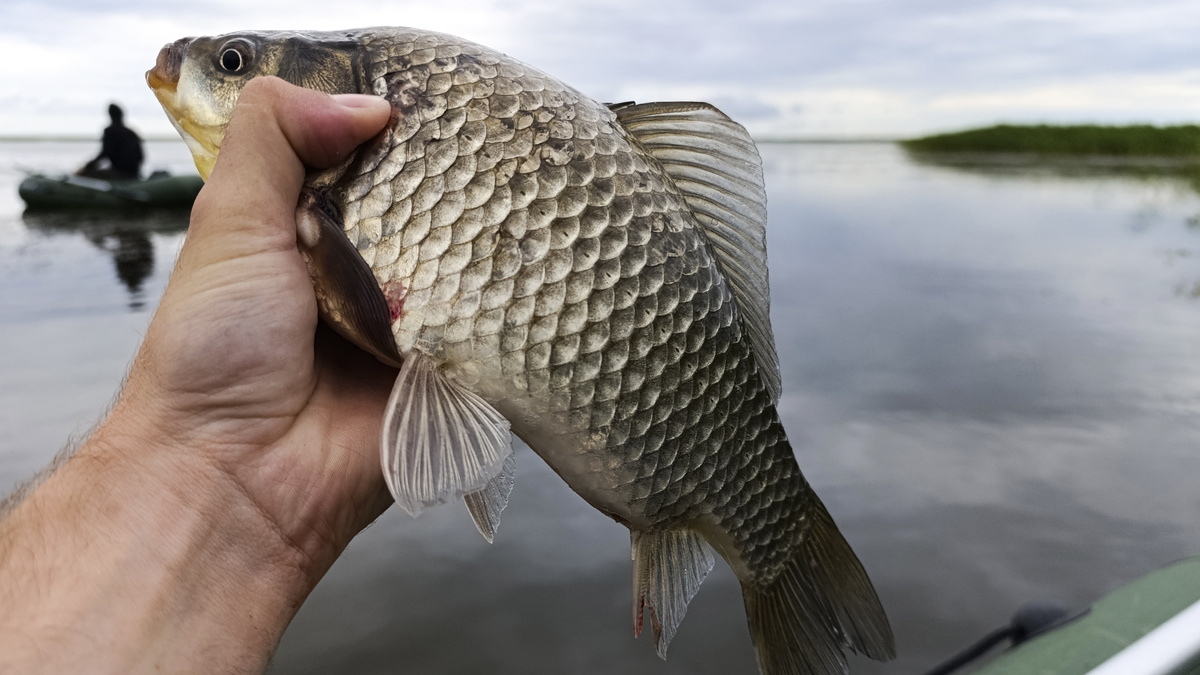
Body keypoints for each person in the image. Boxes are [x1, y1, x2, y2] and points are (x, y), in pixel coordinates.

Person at [0, 78, 394, 673]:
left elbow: (110, 162)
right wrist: (211, 462)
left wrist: (203, 467)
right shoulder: (128, 136)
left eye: (232, 62)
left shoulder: (116, 137)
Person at [77, 104, 145, 181]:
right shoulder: (131, 133)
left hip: (120, 174)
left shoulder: (110, 131)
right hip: (134, 173)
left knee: (84, 175)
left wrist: (87, 167)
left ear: (110, 115)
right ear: (121, 115)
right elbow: (141, 157)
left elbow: (105, 153)